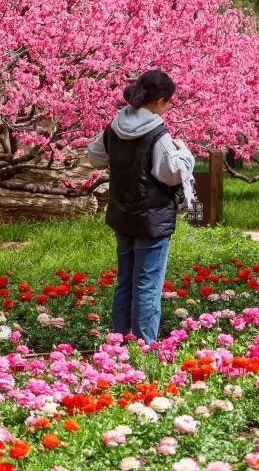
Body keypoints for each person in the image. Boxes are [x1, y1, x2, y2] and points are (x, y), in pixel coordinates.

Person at [87, 70, 195, 344]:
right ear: (159, 100)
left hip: (123, 214)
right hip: (152, 218)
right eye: (169, 101)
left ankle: (119, 343)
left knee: (125, 281)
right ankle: (145, 347)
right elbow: (170, 173)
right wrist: (183, 151)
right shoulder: (157, 132)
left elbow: (95, 157)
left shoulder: (115, 125)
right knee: (148, 285)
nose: (169, 106)